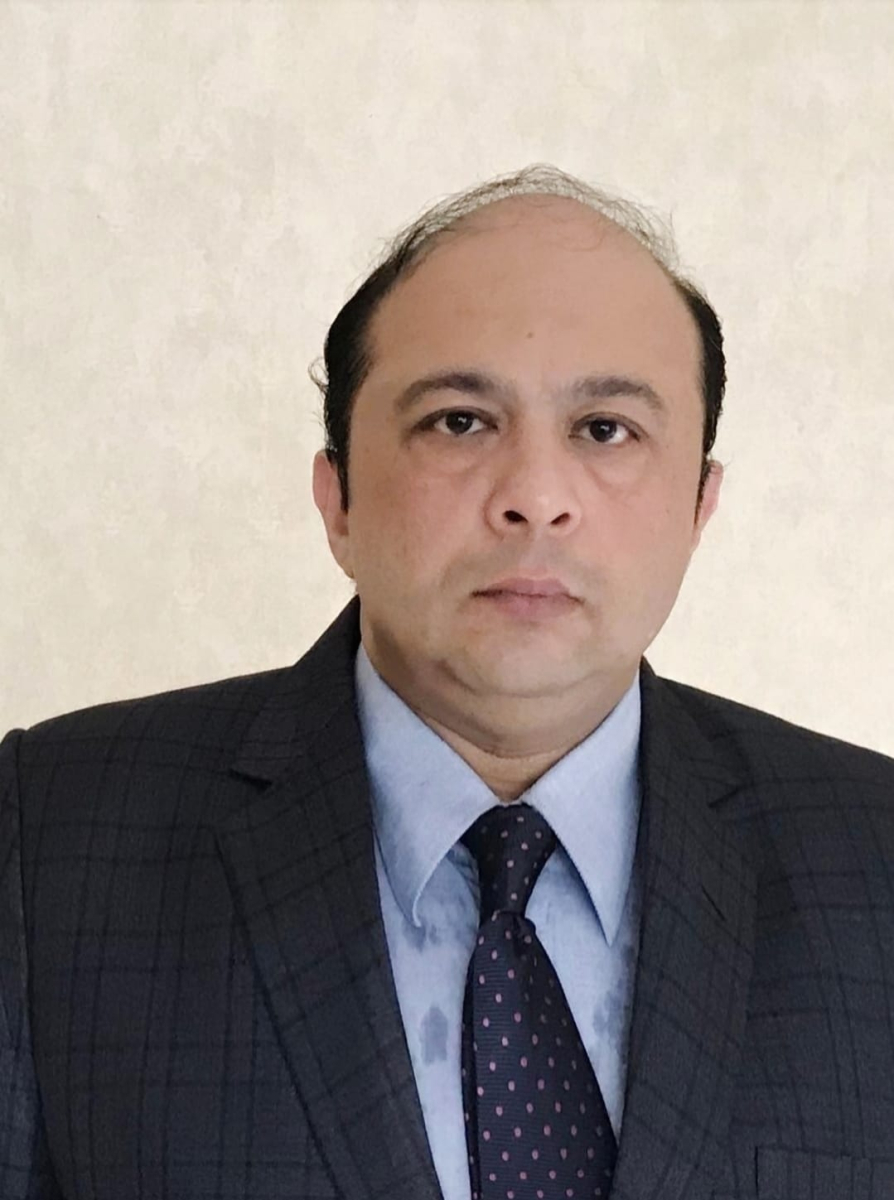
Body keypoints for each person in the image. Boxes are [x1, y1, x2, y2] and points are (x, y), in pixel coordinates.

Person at [2, 164, 893, 1200]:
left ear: (700, 506)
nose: (536, 497)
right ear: (337, 497)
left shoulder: (874, 857)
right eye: (460, 421)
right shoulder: (44, 840)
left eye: (605, 429)